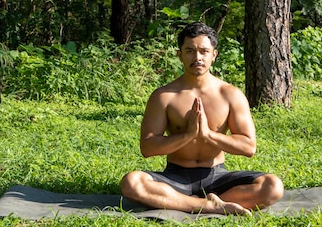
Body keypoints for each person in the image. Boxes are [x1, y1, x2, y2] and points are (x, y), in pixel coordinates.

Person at [120, 22, 284, 216]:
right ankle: (207, 205)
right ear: (179, 55)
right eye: (190, 51)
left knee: (272, 186)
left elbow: (248, 147)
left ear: (213, 55)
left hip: (217, 177)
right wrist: (187, 135)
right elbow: (148, 148)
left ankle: (185, 203)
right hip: (176, 176)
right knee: (132, 183)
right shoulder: (164, 96)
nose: (197, 57)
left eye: (204, 51)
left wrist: (208, 134)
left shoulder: (230, 94)